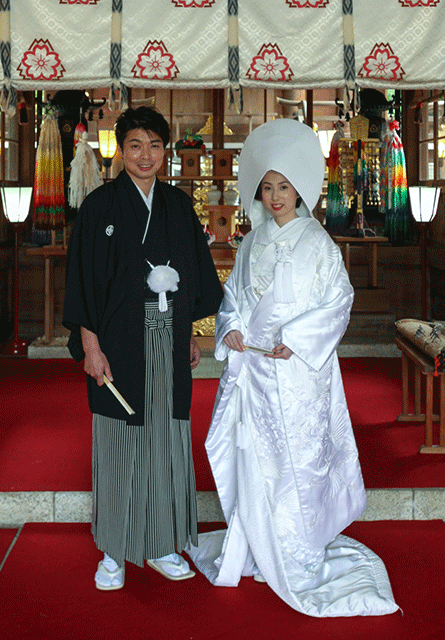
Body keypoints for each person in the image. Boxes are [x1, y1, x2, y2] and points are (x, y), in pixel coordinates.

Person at [187, 119, 399, 617]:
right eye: (268, 187)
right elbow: (233, 297)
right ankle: (257, 544)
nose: (276, 195)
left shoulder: (320, 244)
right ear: (258, 191)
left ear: (299, 189)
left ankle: (297, 549)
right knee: (257, 460)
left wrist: (297, 340)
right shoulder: (249, 244)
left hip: (299, 371)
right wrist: (232, 328)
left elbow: (338, 302)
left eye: (284, 186)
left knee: (298, 461)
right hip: (255, 373)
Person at [63, 106, 223, 591]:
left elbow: (195, 273)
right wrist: (90, 346)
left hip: (168, 338)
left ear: (165, 151)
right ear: (121, 150)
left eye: (155, 145)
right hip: (116, 342)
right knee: (118, 443)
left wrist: (193, 331)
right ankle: (114, 549)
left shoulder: (177, 206)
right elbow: (82, 282)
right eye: (135, 145)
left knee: (166, 444)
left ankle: (161, 542)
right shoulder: (100, 207)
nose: (146, 155)